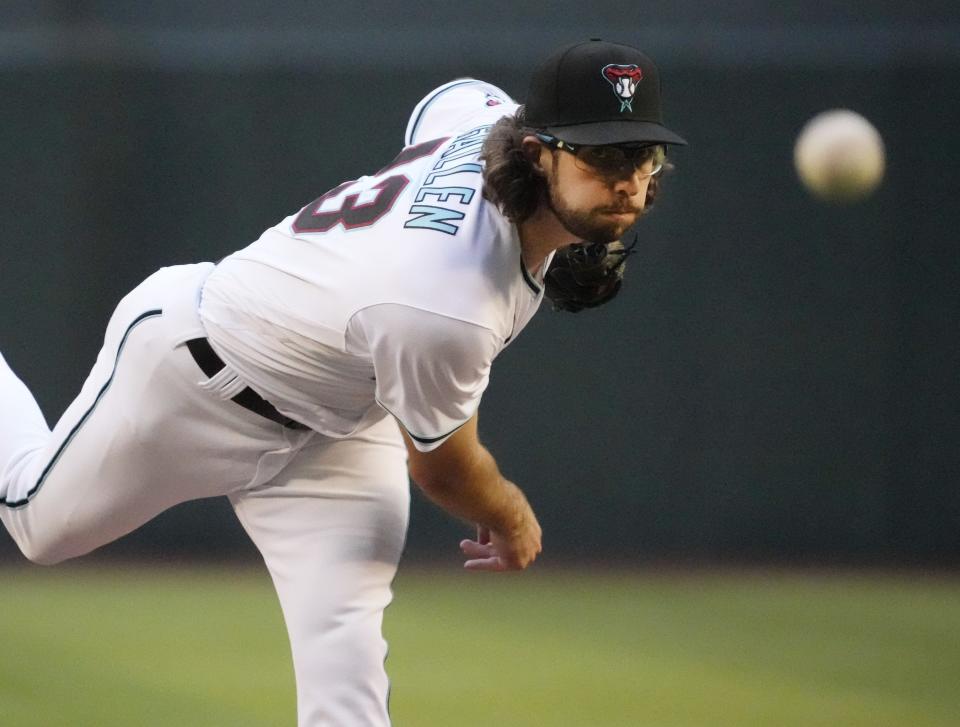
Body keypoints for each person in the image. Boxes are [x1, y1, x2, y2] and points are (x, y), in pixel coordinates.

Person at [0, 39, 685, 726]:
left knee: (346, 691)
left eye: (640, 155)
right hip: (196, 374)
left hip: (343, 428)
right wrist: (508, 512)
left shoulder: (491, 127)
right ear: (539, 149)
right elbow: (446, 468)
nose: (626, 179)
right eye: (601, 155)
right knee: (39, 526)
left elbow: (448, 98)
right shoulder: (447, 301)